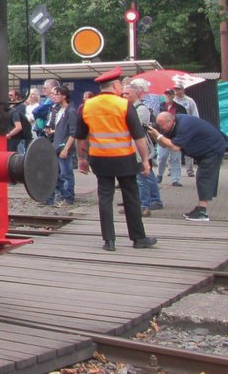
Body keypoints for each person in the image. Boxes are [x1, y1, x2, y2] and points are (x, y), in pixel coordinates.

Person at [75, 66, 156, 251]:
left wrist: (82, 158)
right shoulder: (123, 105)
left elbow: (80, 136)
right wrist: (145, 160)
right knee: (131, 197)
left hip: (99, 159)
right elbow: (138, 136)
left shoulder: (86, 106)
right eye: (120, 84)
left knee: (105, 197)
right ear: (115, 85)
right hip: (124, 159)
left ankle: (109, 241)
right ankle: (138, 238)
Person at [153, 110, 228, 222]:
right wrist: (155, 135)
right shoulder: (173, 124)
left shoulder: (184, 125)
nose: (160, 128)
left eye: (161, 125)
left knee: (204, 177)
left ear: (170, 121)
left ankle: (202, 212)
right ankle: (200, 208)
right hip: (205, 149)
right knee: (203, 177)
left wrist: (157, 135)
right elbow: (164, 145)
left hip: (213, 149)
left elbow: (175, 147)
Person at [123, 80, 163, 214]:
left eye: (127, 94)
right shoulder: (129, 108)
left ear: (136, 94)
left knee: (142, 175)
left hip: (139, 146)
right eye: (123, 94)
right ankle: (151, 200)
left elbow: (135, 128)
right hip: (131, 145)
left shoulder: (141, 109)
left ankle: (145, 204)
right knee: (145, 174)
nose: (124, 96)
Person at [46, 85, 78, 206]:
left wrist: (66, 148)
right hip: (57, 145)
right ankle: (61, 196)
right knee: (57, 173)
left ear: (64, 96)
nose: (53, 97)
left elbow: (73, 132)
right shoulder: (59, 110)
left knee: (66, 173)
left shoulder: (71, 111)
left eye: (57, 94)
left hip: (64, 147)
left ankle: (68, 197)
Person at [158, 88, 187, 185]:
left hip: (175, 136)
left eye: (170, 94)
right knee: (162, 157)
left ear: (174, 95)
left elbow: (183, 121)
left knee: (176, 158)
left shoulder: (180, 108)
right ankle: (159, 174)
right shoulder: (159, 107)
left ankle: (175, 179)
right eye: (167, 94)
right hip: (163, 136)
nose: (168, 96)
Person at [172, 85, 200, 177]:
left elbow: (195, 114)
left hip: (187, 127)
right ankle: (172, 170)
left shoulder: (189, 101)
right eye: (175, 89)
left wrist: (194, 126)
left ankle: (190, 170)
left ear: (183, 90)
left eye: (178, 89)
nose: (176, 91)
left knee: (188, 149)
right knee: (174, 149)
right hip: (175, 128)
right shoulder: (172, 100)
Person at [6, 89, 32, 154]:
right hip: (11, 136)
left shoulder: (20, 107)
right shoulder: (10, 107)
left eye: (11, 95)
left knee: (19, 154)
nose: (9, 97)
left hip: (19, 136)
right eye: (8, 95)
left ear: (16, 96)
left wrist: (10, 134)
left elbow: (19, 125)